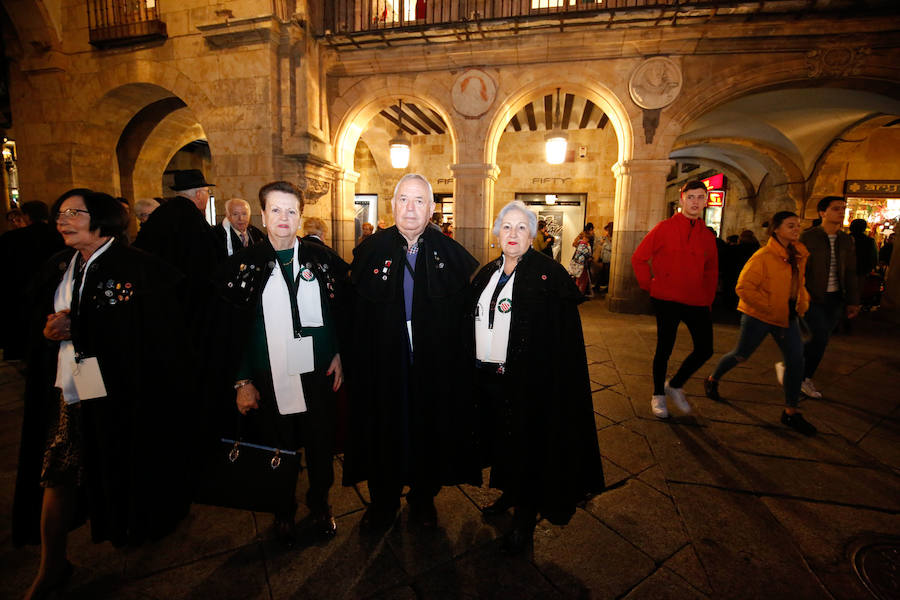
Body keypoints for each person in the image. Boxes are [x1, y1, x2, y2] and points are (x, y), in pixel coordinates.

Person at [13, 190, 190, 599]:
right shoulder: (59, 266)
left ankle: (132, 526)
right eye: (60, 213)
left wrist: (84, 329)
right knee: (56, 473)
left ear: (103, 220)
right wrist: (46, 333)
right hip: (67, 392)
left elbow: (160, 340)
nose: (63, 220)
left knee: (119, 467)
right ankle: (51, 564)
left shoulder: (140, 269)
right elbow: (28, 323)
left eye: (75, 213)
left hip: (122, 395)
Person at [213, 181, 348, 545]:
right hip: (267, 375)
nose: (284, 217)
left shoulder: (322, 260)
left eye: (291, 210)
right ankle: (282, 509)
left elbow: (340, 313)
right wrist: (242, 381)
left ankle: (319, 501)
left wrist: (338, 352)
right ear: (264, 215)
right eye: (276, 210)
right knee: (278, 444)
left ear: (301, 216)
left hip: (317, 373)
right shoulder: (243, 266)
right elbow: (231, 331)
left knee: (320, 445)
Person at [343, 173, 480, 531]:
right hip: (382, 363)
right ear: (392, 205)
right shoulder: (370, 251)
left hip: (432, 364)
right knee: (383, 426)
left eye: (419, 201)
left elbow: (463, 319)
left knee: (428, 427)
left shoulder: (451, 255)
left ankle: (423, 496)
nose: (410, 208)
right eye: (404, 199)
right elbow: (354, 314)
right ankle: (382, 500)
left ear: (432, 209)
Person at [471, 201, 603, 554]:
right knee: (502, 441)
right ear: (497, 233)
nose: (512, 234)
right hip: (490, 379)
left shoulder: (549, 275)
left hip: (530, 382)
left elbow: (563, 339)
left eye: (521, 228)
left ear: (533, 236)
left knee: (528, 447)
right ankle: (508, 494)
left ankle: (525, 520)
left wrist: (552, 381)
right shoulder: (487, 273)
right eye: (507, 227)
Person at [704, 212, 816, 435]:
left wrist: (802, 301)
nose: (796, 230)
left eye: (798, 226)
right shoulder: (763, 256)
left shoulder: (798, 254)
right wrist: (769, 307)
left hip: (787, 317)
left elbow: (798, 284)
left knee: (796, 361)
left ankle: (791, 412)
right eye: (791, 226)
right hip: (759, 316)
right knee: (741, 354)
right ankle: (713, 378)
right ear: (776, 229)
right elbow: (743, 288)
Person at [632, 180, 718, 419]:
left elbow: (711, 270)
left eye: (701, 197)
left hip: (697, 300)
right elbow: (639, 258)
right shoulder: (664, 228)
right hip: (667, 298)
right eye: (691, 197)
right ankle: (658, 393)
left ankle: (676, 384)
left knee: (705, 348)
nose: (695, 202)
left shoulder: (707, 236)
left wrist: (708, 298)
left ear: (705, 200)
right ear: (682, 198)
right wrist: (649, 284)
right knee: (664, 348)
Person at [133, 169, 221, 346]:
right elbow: (208, 259)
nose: (206, 196)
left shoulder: (160, 213)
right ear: (198, 194)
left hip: (160, 299)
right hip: (191, 299)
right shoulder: (193, 218)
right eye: (206, 192)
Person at [788, 196, 859, 399]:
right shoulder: (808, 237)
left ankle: (796, 369)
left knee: (820, 339)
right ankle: (803, 378)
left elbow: (851, 271)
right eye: (836, 208)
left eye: (843, 208)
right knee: (819, 337)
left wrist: (853, 300)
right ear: (822, 213)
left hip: (835, 298)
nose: (841, 212)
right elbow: (797, 269)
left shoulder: (846, 239)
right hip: (812, 296)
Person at [0, 200, 65, 360]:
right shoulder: (59, 235)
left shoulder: (11, 239)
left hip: (22, 296)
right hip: (57, 295)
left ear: (27, 216)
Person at [569, 223, 594, 296]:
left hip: (580, 259)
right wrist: (586, 248)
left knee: (580, 276)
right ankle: (579, 292)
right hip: (581, 260)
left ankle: (580, 292)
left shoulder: (582, 240)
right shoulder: (583, 239)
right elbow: (575, 244)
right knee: (580, 277)